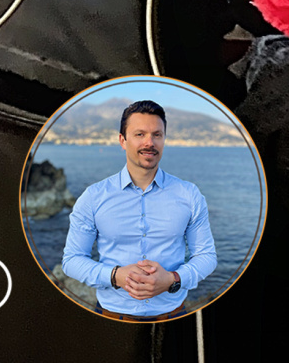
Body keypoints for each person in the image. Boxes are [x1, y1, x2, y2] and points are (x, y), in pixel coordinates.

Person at [61, 99, 218, 318]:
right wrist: (115, 276)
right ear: (122, 141)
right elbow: (72, 260)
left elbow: (206, 256)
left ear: (164, 139)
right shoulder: (93, 197)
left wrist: (173, 279)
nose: (149, 142)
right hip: (111, 315)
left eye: (157, 135)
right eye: (139, 134)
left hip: (173, 314)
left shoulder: (189, 195)